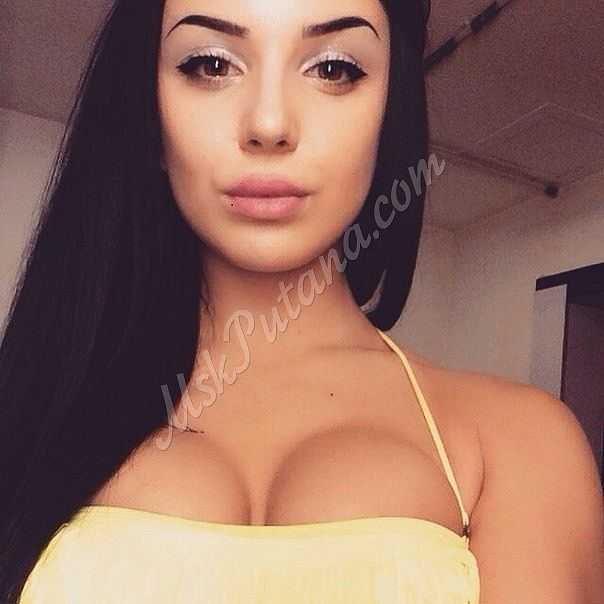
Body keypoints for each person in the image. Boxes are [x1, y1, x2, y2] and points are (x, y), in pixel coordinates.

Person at [1, 0, 603, 602]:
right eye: (211, 64)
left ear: (389, 113)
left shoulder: (517, 443)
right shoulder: (32, 408)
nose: (269, 123)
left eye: (334, 69)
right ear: (148, 110)